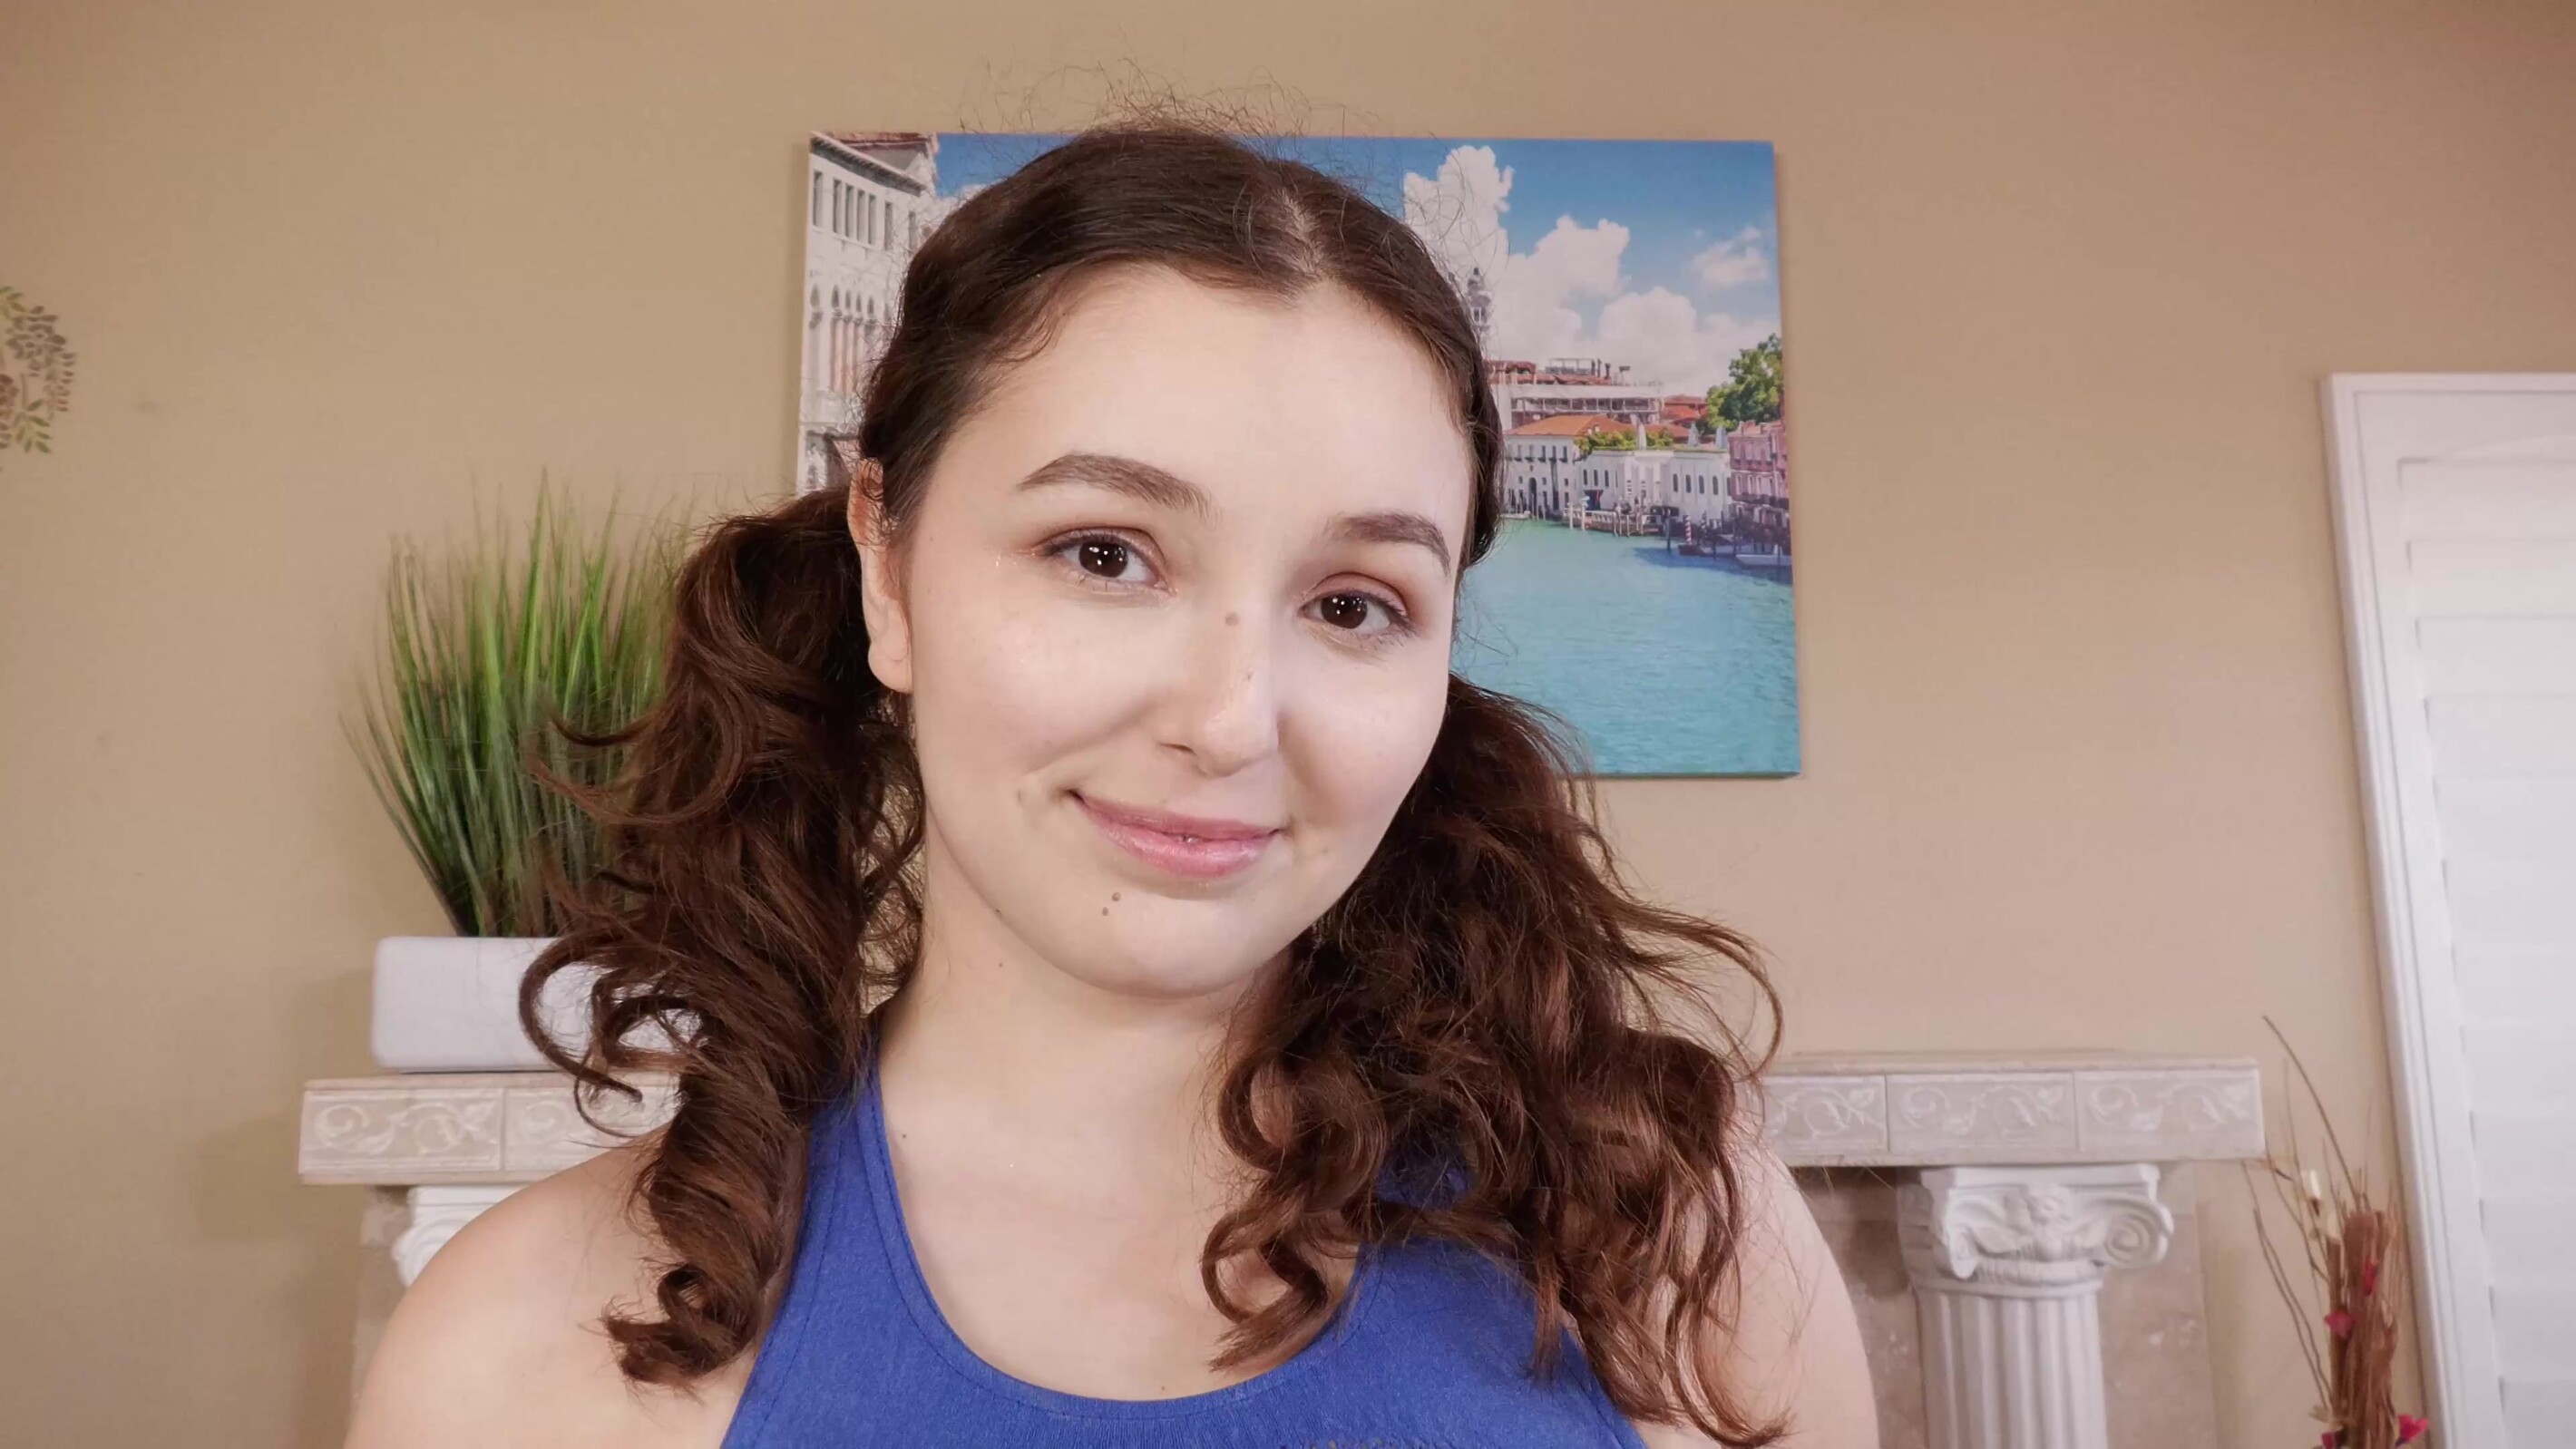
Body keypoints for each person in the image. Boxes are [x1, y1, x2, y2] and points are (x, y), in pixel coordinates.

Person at [345, 119, 1874, 1449]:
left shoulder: (1672, 1235)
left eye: (1354, 602)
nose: (1231, 718)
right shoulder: (520, 1348)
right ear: (887, 565)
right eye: (1104, 554)